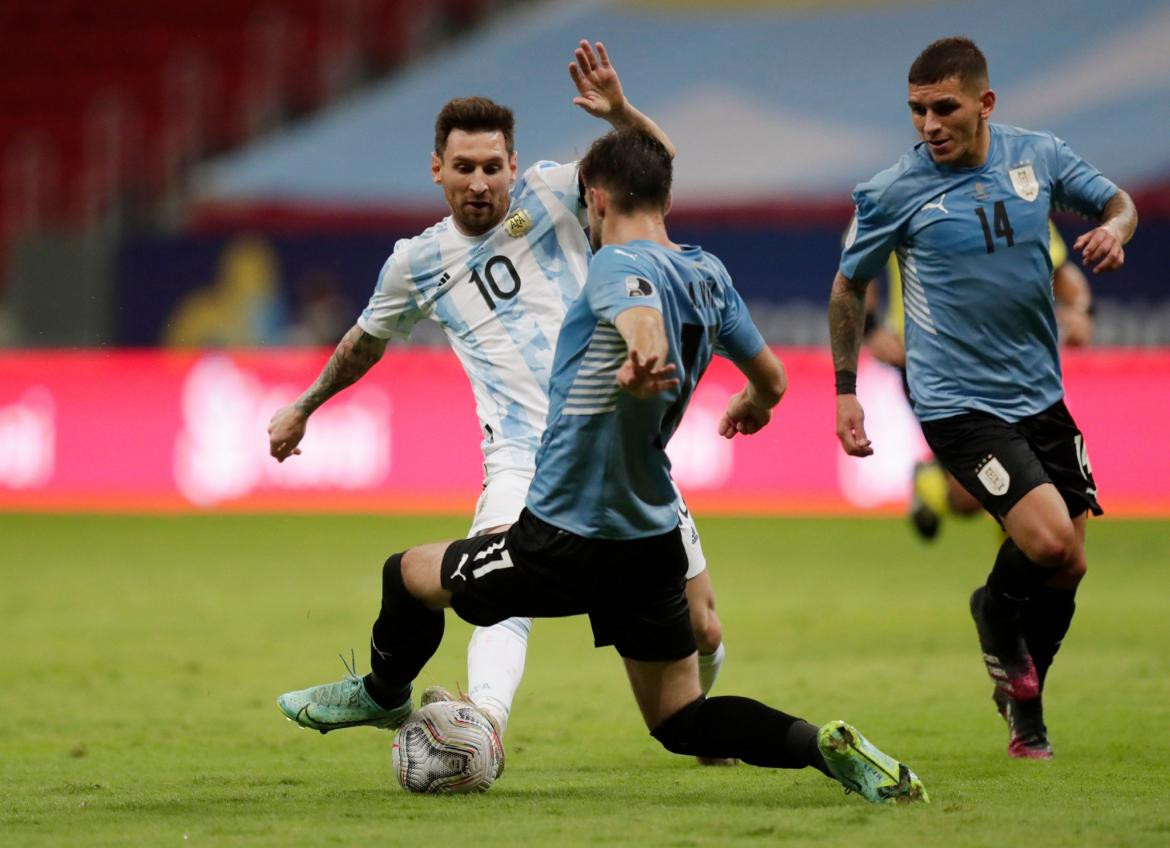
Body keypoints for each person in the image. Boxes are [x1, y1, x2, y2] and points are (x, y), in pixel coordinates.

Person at [277, 129, 929, 805]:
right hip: (648, 541)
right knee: (682, 718)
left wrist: (645, 354)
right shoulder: (711, 274)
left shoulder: (615, 266)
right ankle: (820, 745)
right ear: (666, 194)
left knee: (406, 576)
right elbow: (771, 377)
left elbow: (638, 311)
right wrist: (751, 404)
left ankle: (386, 695)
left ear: (595, 198)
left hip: (560, 536)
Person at [267, 41, 731, 752]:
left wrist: (621, 113)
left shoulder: (555, 192)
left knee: (704, 628)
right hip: (523, 456)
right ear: (437, 171)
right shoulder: (416, 262)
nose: (479, 183)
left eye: (491, 167)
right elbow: (366, 340)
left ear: (514, 164)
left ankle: (696, 721)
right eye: (463, 168)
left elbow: (650, 180)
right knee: (499, 587)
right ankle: (482, 727)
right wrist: (304, 405)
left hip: (616, 447)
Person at [828, 37, 1137, 759]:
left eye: (944, 107)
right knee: (1050, 540)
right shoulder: (893, 191)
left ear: (984, 103)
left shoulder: (1039, 159)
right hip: (957, 403)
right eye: (916, 111)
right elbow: (849, 284)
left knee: (1071, 566)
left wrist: (1117, 230)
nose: (929, 124)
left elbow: (1117, 203)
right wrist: (846, 391)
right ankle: (990, 614)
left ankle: (1025, 708)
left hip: (1041, 394)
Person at [860, 222, 1095, 539]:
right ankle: (932, 484)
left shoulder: (1018, 194)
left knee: (1034, 480)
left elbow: (1061, 269)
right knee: (975, 494)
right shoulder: (904, 191)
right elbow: (859, 258)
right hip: (932, 366)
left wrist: (1081, 310)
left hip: (1017, 364)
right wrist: (871, 327)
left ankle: (1023, 580)